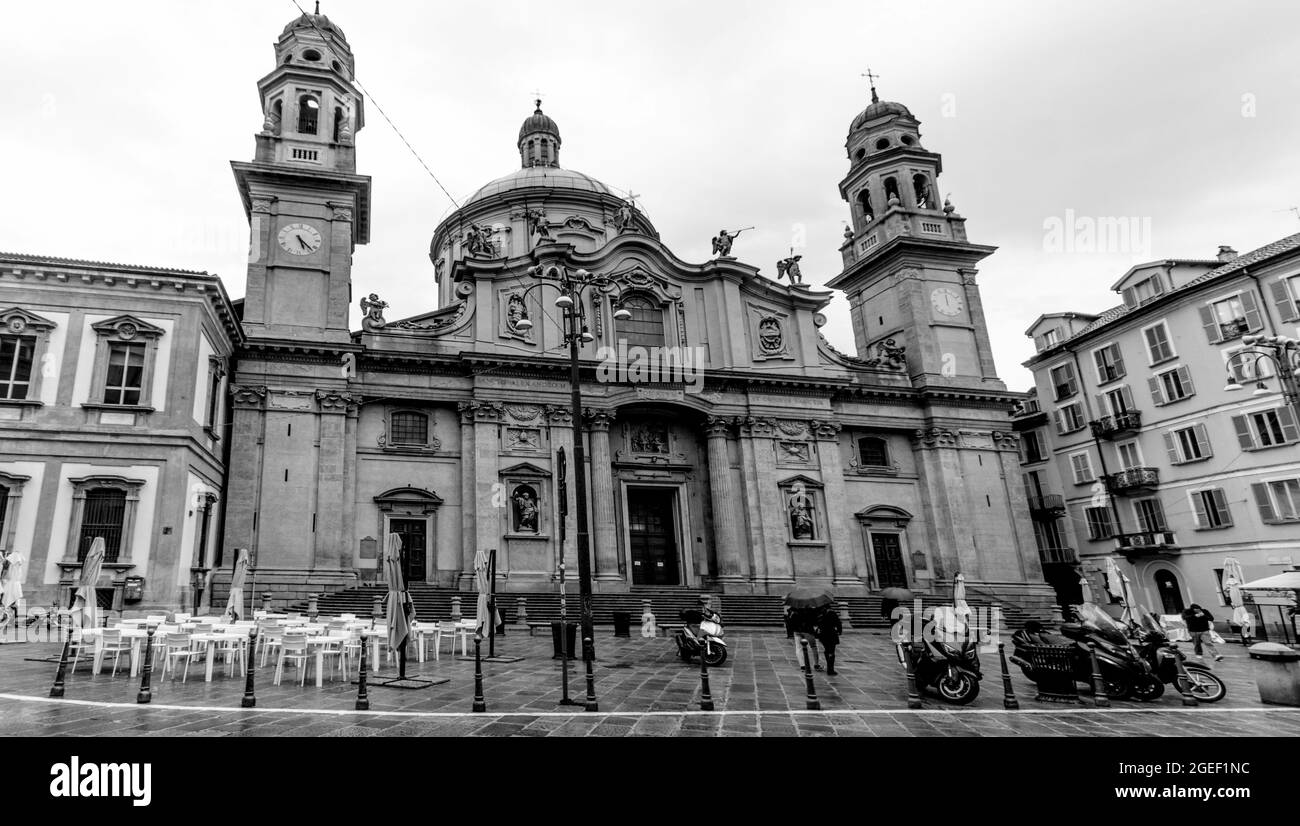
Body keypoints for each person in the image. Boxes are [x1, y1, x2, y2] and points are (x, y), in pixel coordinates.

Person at [814, 606, 842, 676]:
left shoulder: (820, 614)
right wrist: (839, 631)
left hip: (823, 635)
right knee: (831, 651)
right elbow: (838, 623)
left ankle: (829, 667)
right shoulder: (832, 613)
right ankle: (830, 669)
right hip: (831, 634)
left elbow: (816, 623)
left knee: (827, 650)